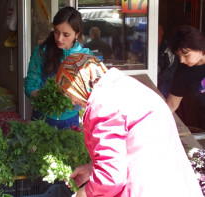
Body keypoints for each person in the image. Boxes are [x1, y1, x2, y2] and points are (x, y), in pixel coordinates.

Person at [55, 53, 202, 196]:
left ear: (79, 82)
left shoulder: (102, 103)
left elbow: (111, 178)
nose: (73, 101)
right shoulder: (125, 86)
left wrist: (86, 193)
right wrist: (93, 169)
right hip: (173, 184)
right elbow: (135, 146)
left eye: (69, 92)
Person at [24, 6, 93, 130]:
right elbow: (30, 86)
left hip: (70, 121)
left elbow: (92, 90)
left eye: (66, 34)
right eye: (56, 32)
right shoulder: (42, 52)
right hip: (42, 119)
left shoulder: (85, 57)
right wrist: (49, 95)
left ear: (76, 34)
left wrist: (79, 97)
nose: (59, 38)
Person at [167, 25, 205, 129]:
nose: (182, 60)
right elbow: (171, 104)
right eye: (179, 56)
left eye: (186, 55)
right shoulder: (183, 73)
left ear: (201, 49)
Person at [157, 24, 179, 99]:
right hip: (156, 76)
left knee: (161, 94)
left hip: (166, 78)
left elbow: (171, 69)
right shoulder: (149, 45)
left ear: (161, 32)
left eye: (156, 31)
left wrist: (158, 79)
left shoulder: (168, 48)